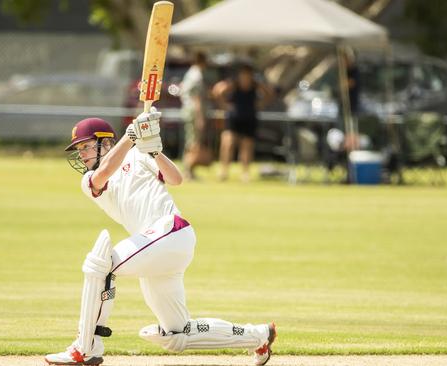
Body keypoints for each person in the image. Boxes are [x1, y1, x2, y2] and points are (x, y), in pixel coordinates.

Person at [45, 109, 276, 366]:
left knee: (100, 265)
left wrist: (154, 150)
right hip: (156, 250)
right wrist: (131, 136)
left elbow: (176, 179)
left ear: (106, 142)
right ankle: (259, 336)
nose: (82, 154)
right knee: (176, 334)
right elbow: (104, 173)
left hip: (170, 231)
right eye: (80, 149)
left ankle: (85, 347)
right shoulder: (90, 180)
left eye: (86, 146)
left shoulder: (138, 153)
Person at [213, 63, 274, 182]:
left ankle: (245, 173)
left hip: (249, 118)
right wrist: (223, 105)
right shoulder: (233, 84)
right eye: (243, 74)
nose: (246, 77)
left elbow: (270, 93)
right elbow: (218, 91)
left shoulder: (255, 85)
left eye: (248, 75)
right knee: (228, 143)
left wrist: (261, 104)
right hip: (234, 118)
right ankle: (224, 171)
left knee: (247, 146)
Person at [180, 51, 213, 180]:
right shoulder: (196, 75)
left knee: (191, 140)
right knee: (193, 142)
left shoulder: (190, 73)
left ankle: (189, 170)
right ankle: (188, 170)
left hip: (188, 110)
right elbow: (196, 98)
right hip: (194, 111)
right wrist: (200, 117)